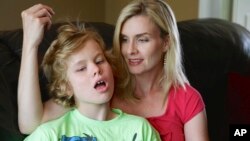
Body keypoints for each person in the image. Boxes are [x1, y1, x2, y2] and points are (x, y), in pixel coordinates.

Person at [18, 1, 209, 141]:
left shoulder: (187, 99)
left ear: (166, 43)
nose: (130, 50)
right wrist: (30, 44)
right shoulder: (104, 87)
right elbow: (30, 123)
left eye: (142, 39)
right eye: (124, 39)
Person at [19, 10, 161, 140]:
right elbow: (28, 122)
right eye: (81, 68)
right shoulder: (49, 134)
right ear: (66, 87)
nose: (95, 69)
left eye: (99, 61)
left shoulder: (140, 128)